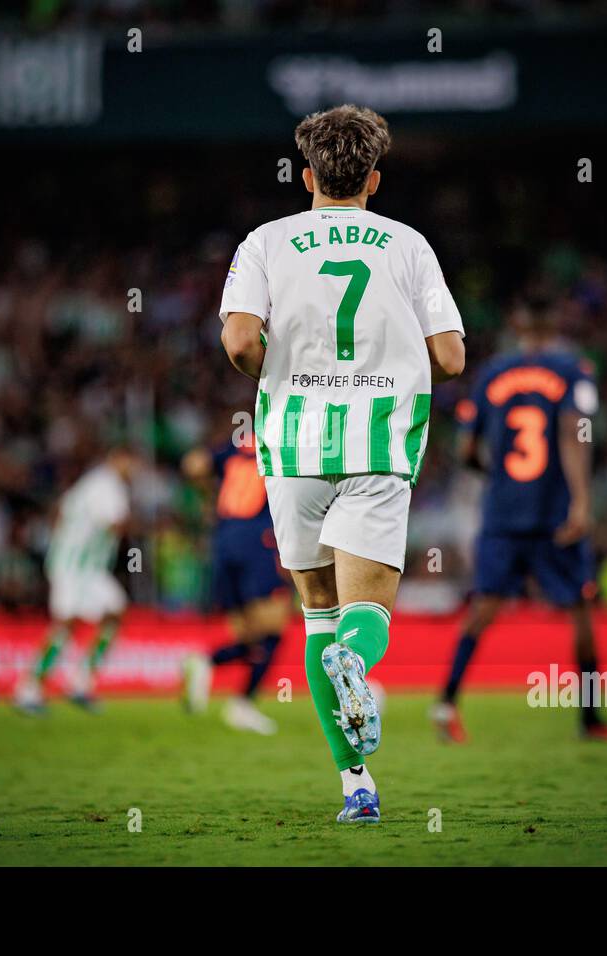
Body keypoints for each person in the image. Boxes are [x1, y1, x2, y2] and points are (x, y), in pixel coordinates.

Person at [219, 104, 466, 823]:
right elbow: (451, 356)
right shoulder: (409, 246)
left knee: (317, 615)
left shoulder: (266, 242)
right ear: (375, 179)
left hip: (293, 447)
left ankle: (356, 784)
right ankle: (356, 666)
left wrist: (285, 376)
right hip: (379, 443)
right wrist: (395, 373)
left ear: (306, 176)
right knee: (364, 616)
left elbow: (238, 343)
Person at [432, 296, 607, 742]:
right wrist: (580, 502)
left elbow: (466, 450)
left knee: (483, 610)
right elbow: (573, 432)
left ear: (518, 325)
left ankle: (445, 705)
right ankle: (591, 720)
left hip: (502, 514)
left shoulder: (491, 375)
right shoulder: (573, 370)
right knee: (580, 610)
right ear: (555, 323)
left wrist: (496, 475)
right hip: (555, 515)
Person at [181, 426, 292, 735]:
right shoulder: (287, 446)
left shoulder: (239, 444)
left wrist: (208, 496)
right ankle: (242, 703)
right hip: (256, 543)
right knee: (274, 632)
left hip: (223, 542)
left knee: (251, 638)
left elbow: (193, 464)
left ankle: (205, 663)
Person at [16, 446, 138, 714]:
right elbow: (115, 525)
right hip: (72, 567)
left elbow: (61, 508)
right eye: (132, 463)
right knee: (66, 624)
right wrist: (149, 526)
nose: (135, 470)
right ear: (118, 458)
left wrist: (64, 536)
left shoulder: (92, 482)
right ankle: (28, 689)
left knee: (115, 611)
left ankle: (80, 683)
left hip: (90, 570)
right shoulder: (108, 486)